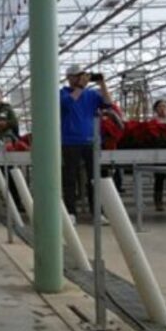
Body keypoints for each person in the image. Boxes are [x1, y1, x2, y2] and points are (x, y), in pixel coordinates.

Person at [60, 64, 113, 218]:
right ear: (69, 78)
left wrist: (102, 83)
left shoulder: (92, 94)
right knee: (70, 177)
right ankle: (71, 211)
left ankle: (97, 211)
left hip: (91, 140)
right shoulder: (62, 93)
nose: (80, 78)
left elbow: (108, 103)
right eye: (77, 76)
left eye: (82, 75)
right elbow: (67, 104)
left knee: (94, 177)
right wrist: (80, 87)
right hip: (70, 141)